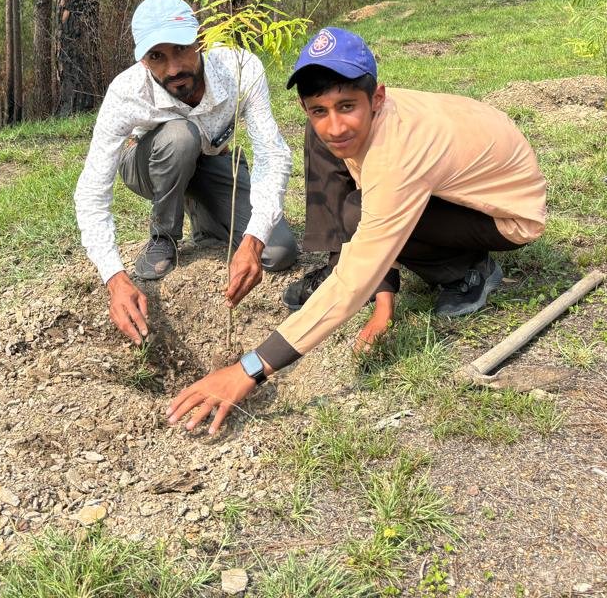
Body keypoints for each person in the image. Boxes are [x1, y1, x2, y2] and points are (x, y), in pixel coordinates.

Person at [167, 26, 547, 434]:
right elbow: (366, 208)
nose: (334, 125)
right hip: (456, 182)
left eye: (347, 106)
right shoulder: (358, 121)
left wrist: (248, 369)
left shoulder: (400, 154)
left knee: (358, 212)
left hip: (505, 216)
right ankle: (349, 262)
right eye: (318, 110)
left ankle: (468, 271)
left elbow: (358, 272)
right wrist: (382, 299)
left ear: (377, 97)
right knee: (344, 181)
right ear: (303, 106)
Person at [75, 0, 299, 345]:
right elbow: (91, 192)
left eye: (181, 48)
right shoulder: (126, 92)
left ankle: (205, 213)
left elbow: (272, 153)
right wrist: (114, 278)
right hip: (148, 164)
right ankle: (163, 236)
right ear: (143, 60)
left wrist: (255, 240)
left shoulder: (240, 68)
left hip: (211, 162)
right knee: (180, 137)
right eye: (157, 56)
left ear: (201, 40)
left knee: (278, 251)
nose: (173, 68)